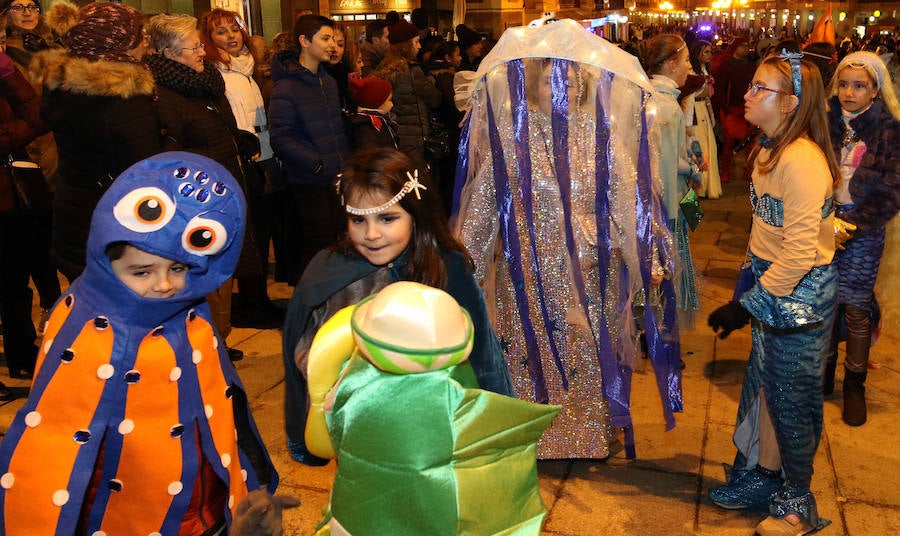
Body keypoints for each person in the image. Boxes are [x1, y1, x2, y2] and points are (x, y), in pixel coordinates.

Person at [0, 152, 277, 534]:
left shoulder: (192, 314)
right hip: (125, 512)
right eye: (142, 271)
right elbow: (54, 443)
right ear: (105, 258)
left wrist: (250, 482)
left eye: (178, 269)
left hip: (206, 503)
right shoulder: (87, 328)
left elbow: (228, 405)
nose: (163, 285)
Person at [454, 20, 681, 460]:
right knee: (528, 351)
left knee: (586, 353)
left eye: (572, 77)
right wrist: (466, 263)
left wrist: (645, 249)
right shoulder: (514, 137)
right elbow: (482, 202)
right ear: (533, 87)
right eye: (549, 78)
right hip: (528, 276)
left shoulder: (601, 139)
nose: (562, 85)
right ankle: (535, 435)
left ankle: (588, 434)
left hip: (590, 271)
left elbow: (626, 199)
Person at [281, 147, 514, 465]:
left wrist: (498, 427)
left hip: (436, 427)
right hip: (358, 428)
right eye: (358, 220)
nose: (372, 234)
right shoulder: (328, 270)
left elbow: (483, 353)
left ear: (414, 215)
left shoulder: (446, 267)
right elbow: (304, 351)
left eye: (387, 218)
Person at [707, 52, 841, 536]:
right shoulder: (769, 148)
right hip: (773, 283)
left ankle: (796, 503)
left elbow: (801, 252)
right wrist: (750, 286)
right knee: (765, 390)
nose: (746, 93)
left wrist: (748, 305)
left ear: (790, 103)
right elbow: (767, 231)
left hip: (800, 295)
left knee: (792, 398)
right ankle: (764, 477)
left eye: (759, 88)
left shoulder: (802, 160)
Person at [303, 281, 557, 534]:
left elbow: (322, 443)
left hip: (360, 510)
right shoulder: (455, 382)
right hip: (435, 508)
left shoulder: (353, 380)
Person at [146, 13, 266, 359]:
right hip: (196, 198)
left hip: (223, 187)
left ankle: (218, 339)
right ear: (169, 53)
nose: (203, 51)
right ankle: (202, 342)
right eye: (194, 46)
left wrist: (236, 139)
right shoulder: (163, 94)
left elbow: (213, 130)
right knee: (201, 275)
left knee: (221, 273)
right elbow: (172, 149)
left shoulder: (204, 83)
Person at [30, 1, 160, 283]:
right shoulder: (123, 98)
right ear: (117, 43)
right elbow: (146, 167)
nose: (145, 44)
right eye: (139, 36)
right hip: (119, 231)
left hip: (76, 219)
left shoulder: (64, 87)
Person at [824, 51, 900, 426]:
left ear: (875, 90)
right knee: (822, 302)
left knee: (855, 308)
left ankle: (854, 384)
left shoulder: (888, 129)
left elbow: (892, 189)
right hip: (822, 226)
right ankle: (822, 372)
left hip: (863, 232)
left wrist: (854, 224)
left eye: (859, 86)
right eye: (843, 84)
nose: (849, 93)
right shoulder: (826, 122)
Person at [199, 8, 284, 330]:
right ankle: (249, 304)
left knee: (261, 235)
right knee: (249, 236)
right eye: (221, 32)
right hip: (242, 162)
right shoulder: (217, 73)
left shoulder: (247, 68)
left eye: (235, 29)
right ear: (208, 39)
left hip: (262, 158)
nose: (231, 36)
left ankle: (257, 299)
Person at [268, 14, 349, 285]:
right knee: (317, 246)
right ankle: (309, 305)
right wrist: (316, 163)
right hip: (310, 180)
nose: (332, 45)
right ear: (304, 41)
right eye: (324, 38)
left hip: (336, 178)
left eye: (333, 39)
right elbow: (281, 137)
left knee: (338, 241)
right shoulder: (286, 86)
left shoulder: (328, 82)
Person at [639, 33, 701, 328]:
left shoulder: (649, 97)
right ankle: (661, 333)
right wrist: (692, 169)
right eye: (687, 60)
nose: (691, 67)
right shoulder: (665, 106)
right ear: (672, 64)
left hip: (657, 202)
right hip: (665, 206)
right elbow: (663, 163)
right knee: (665, 268)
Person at [0, 48, 46, 388]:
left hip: (8, 195)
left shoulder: (4, 69)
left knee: (13, 277)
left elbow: (38, 115)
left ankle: (21, 353)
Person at [373, 19, 441, 174]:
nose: (420, 46)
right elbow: (435, 99)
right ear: (405, 45)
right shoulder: (412, 71)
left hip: (395, 137)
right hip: (415, 138)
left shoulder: (383, 67)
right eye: (416, 42)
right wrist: (431, 80)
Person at [713, 36, 755, 183]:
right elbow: (720, 89)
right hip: (731, 108)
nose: (745, 49)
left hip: (747, 108)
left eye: (747, 46)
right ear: (735, 48)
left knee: (749, 142)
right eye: (742, 46)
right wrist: (726, 108)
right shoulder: (726, 66)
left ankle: (748, 169)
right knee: (729, 142)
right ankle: (725, 171)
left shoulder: (751, 66)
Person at [687, 40, 722, 199]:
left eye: (710, 52)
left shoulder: (704, 69)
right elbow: (689, 94)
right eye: (705, 52)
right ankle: (698, 188)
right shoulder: (691, 70)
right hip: (694, 110)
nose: (709, 55)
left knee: (708, 145)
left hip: (703, 110)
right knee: (698, 146)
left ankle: (707, 186)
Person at [346, 75, 397, 151]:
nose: (392, 104)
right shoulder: (367, 128)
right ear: (377, 103)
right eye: (389, 100)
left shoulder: (379, 121)